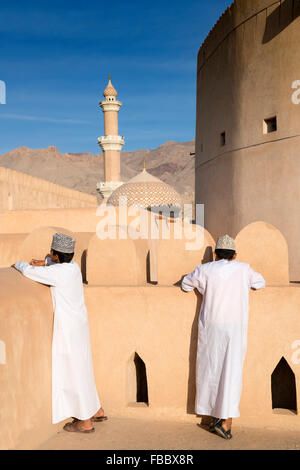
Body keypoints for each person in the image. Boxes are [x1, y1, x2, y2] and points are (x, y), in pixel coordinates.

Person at [13, 232, 107, 434]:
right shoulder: (72, 268)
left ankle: (84, 421)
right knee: (84, 367)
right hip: (79, 326)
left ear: (55, 255)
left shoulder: (57, 273)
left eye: (51, 253)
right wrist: (46, 263)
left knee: (74, 371)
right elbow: (55, 266)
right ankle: (96, 409)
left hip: (69, 329)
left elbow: (27, 270)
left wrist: (18, 264)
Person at [182, 234, 265, 440]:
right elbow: (260, 283)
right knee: (231, 372)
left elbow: (185, 284)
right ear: (235, 254)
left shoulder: (205, 269)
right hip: (235, 329)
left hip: (211, 327)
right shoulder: (244, 269)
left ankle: (214, 418)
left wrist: (204, 286)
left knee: (210, 370)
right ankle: (225, 423)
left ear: (216, 254)